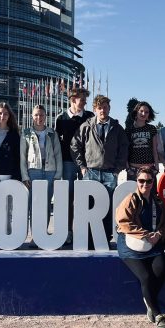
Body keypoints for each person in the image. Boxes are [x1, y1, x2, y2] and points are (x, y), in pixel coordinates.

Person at [115, 167, 165, 328]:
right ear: (136, 182)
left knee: (161, 272)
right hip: (130, 246)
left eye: (149, 181)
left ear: (153, 182)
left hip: (153, 244)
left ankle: (149, 301)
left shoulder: (158, 202)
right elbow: (123, 222)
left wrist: (158, 234)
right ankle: (158, 314)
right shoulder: (130, 199)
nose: (145, 184)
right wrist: (146, 234)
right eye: (141, 181)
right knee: (145, 277)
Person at [71, 94, 129, 242]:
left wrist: (117, 169)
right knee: (88, 206)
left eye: (105, 107)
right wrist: (82, 166)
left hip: (110, 173)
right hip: (91, 172)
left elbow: (124, 148)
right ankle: (89, 239)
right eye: (99, 108)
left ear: (109, 109)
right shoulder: (86, 126)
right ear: (94, 110)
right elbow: (75, 145)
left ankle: (105, 237)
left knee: (107, 207)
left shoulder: (117, 128)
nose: (102, 110)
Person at [55, 87, 93, 242]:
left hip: (87, 163)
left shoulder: (90, 116)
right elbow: (57, 142)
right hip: (67, 162)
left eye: (85, 100)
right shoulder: (61, 118)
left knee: (87, 198)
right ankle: (68, 231)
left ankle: (86, 231)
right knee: (68, 198)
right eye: (82, 99)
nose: (84, 102)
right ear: (73, 100)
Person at [20, 104, 63, 216]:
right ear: (32, 116)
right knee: (33, 203)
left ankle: (44, 231)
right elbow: (23, 156)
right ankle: (35, 232)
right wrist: (25, 176)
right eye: (36, 115)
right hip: (33, 172)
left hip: (50, 173)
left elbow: (58, 155)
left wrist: (58, 175)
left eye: (41, 115)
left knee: (46, 204)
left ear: (45, 116)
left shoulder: (52, 133)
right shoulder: (26, 133)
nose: (39, 117)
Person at [125, 101, 159, 180]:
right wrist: (128, 169)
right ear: (136, 112)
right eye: (141, 111)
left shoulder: (152, 129)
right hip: (133, 170)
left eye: (146, 112)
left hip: (149, 170)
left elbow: (155, 149)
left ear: (149, 115)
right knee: (133, 192)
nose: (143, 114)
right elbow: (125, 150)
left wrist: (156, 167)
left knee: (151, 192)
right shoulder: (129, 130)